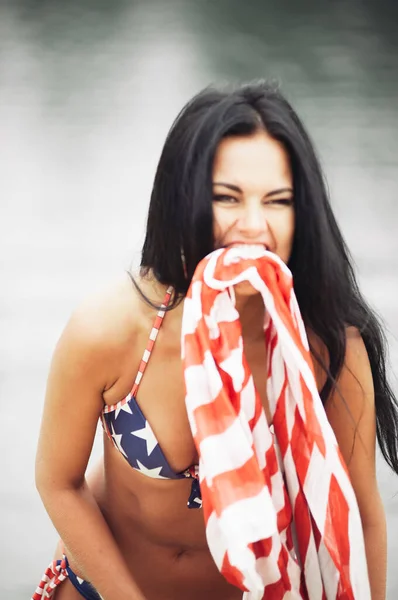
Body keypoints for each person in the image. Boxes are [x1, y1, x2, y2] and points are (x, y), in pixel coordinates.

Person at [33, 81, 398, 600]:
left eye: (278, 201)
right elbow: (58, 482)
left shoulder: (324, 351)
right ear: (183, 200)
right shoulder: (111, 330)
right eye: (227, 197)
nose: (253, 225)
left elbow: (361, 517)